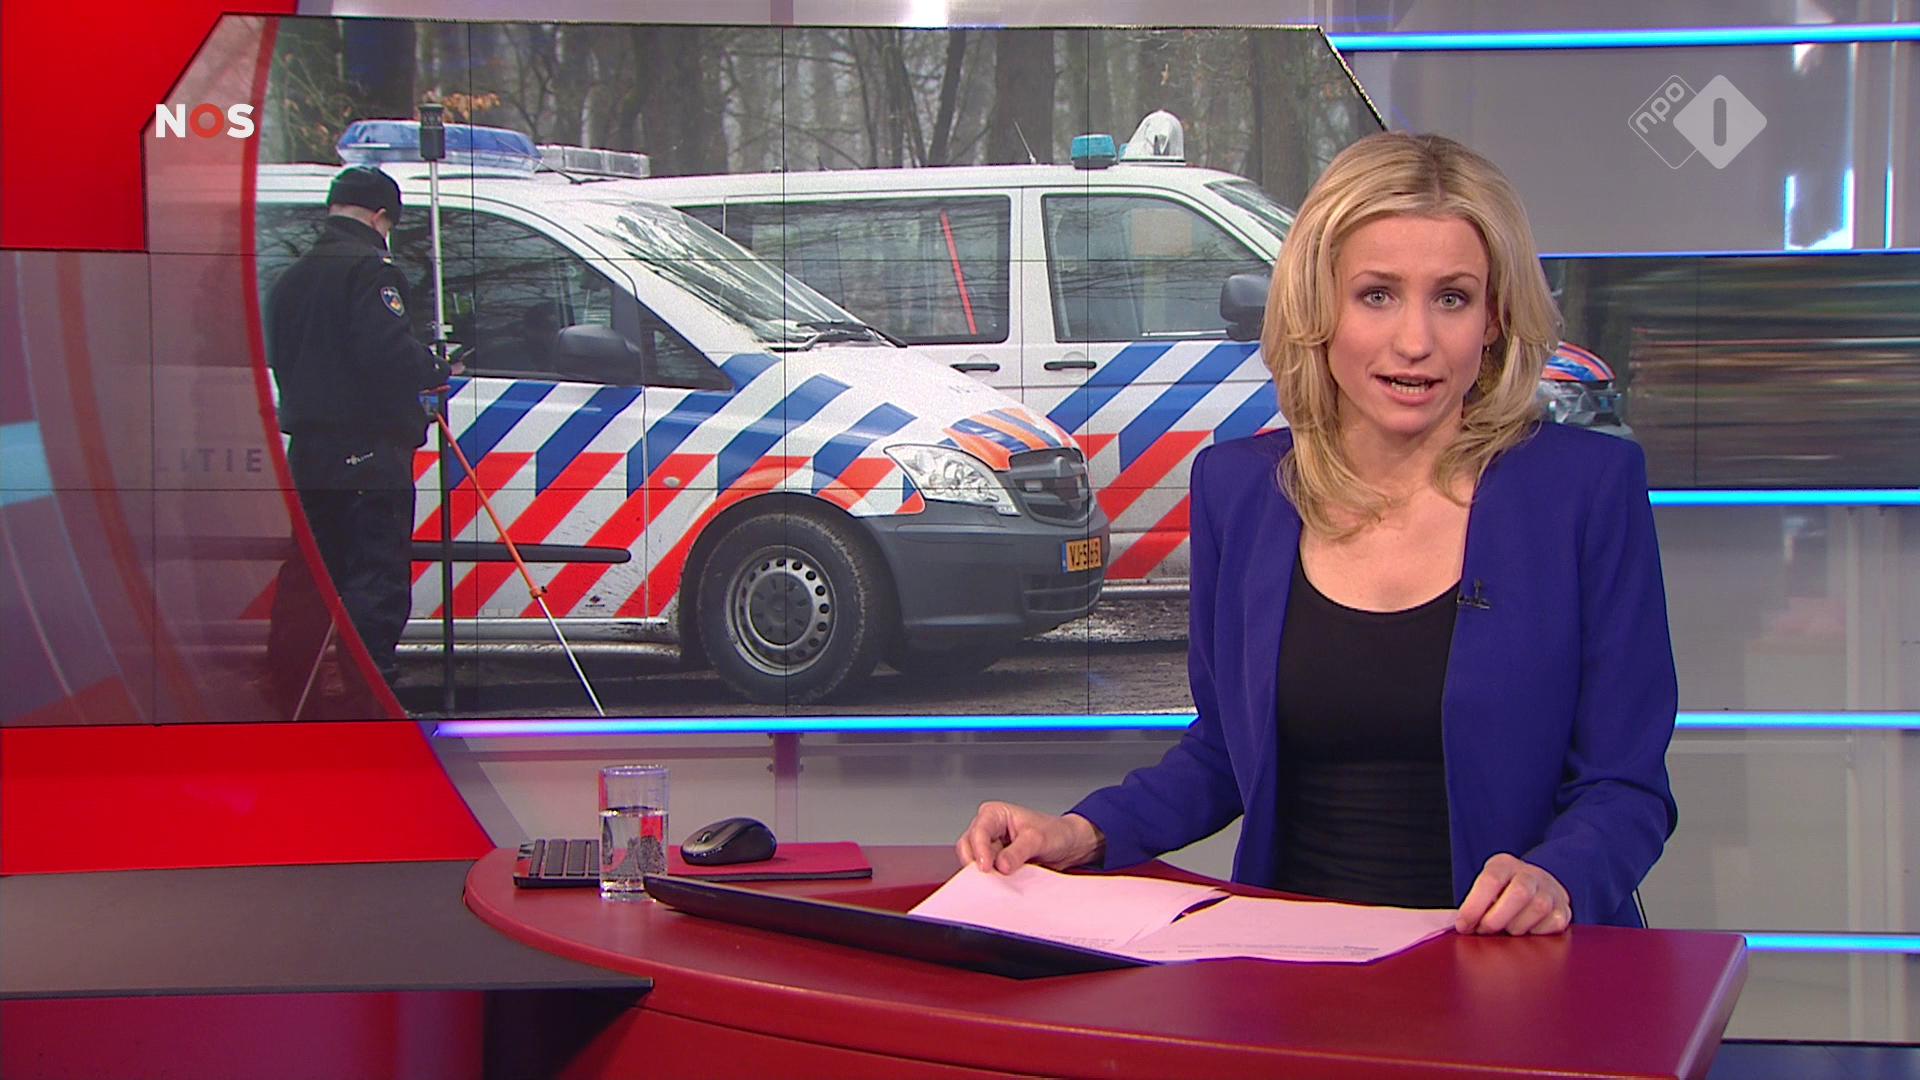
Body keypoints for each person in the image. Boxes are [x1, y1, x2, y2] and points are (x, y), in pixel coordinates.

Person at [956, 133, 1678, 934]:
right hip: (1296, 960)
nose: (1415, 341)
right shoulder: (1241, 490)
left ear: (1495, 318)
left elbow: (1626, 788)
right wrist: (1082, 832)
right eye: (1377, 295)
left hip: (1512, 966)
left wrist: (1558, 876)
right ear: (1319, 306)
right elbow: (1224, 753)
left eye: (1452, 298)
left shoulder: (1584, 490)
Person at [266, 164, 450, 684]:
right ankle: (368, 687)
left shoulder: (291, 277)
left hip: (309, 450)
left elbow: (284, 357)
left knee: (310, 572)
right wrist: (433, 368)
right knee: (375, 573)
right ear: (380, 216)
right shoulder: (371, 269)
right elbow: (385, 351)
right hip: (368, 448)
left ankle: (288, 683)